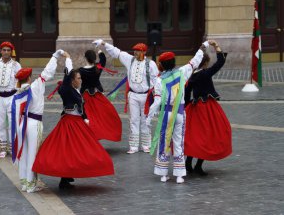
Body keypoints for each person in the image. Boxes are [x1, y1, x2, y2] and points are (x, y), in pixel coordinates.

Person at [32, 57, 114, 189]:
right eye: (78, 78)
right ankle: (64, 178)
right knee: (67, 150)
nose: (80, 80)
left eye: (81, 78)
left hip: (78, 122)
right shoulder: (66, 89)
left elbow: (82, 105)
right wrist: (68, 60)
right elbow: (66, 79)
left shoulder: (76, 90)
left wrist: (85, 118)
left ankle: (68, 175)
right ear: (72, 80)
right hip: (69, 123)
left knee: (80, 150)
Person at [146, 42, 209, 184]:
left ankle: (163, 174)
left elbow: (156, 101)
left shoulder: (159, 80)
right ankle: (180, 175)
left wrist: (149, 117)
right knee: (178, 142)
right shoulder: (182, 72)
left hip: (166, 114)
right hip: (180, 113)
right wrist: (202, 47)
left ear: (162, 64)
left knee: (164, 142)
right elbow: (195, 62)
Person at [11, 49, 67, 193]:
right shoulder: (35, 86)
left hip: (22, 123)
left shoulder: (17, 91)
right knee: (32, 154)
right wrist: (55, 56)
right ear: (29, 78)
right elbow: (47, 73)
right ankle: (31, 185)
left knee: (24, 152)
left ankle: (24, 182)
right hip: (34, 124)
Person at [93, 39, 158, 154]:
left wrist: (157, 97)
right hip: (132, 95)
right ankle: (133, 146)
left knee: (145, 121)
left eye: (137, 51)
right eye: (135, 51)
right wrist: (103, 43)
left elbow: (157, 80)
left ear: (143, 52)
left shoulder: (151, 64)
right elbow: (117, 52)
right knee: (133, 120)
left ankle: (146, 145)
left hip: (146, 96)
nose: (135, 53)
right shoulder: (129, 60)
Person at [184, 41, 232, 176]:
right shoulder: (205, 73)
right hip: (207, 109)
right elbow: (220, 63)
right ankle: (198, 165)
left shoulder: (192, 76)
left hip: (194, 108)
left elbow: (187, 92)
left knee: (194, 136)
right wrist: (217, 47)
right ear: (205, 63)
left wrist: (187, 106)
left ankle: (188, 162)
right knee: (209, 135)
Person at [78, 49, 122, 142]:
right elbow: (103, 60)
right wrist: (100, 51)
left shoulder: (81, 70)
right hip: (98, 96)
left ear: (85, 58)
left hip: (85, 97)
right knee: (102, 116)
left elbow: (71, 76)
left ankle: (89, 138)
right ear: (94, 58)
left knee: (88, 117)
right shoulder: (97, 68)